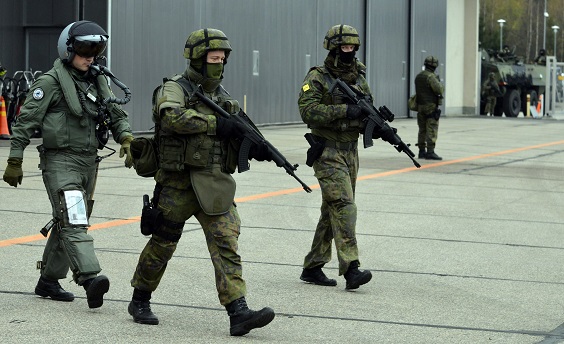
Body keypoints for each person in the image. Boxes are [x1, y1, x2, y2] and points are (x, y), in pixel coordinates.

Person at [127, 28, 275, 336]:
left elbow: (237, 131)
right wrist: (216, 124)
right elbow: (171, 118)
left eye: (222, 59)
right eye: (213, 58)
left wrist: (256, 147)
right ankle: (140, 298)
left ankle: (238, 312)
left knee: (226, 243)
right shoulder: (174, 88)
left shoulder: (223, 97)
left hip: (214, 183)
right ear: (196, 58)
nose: (218, 64)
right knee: (163, 244)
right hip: (178, 184)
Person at [1, 21, 134, 308]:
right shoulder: (49, 83)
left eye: (95, 50)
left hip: (89, 162)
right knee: (74, 219)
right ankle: (89, 278)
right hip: (61, 161)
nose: (90, 56)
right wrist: (15, 158)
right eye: (85, 50)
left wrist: (126, 138)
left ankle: (48, 280)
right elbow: (25, 122)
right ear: (68, 49)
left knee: (67, 220)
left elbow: (115, 112)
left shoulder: (97, 81)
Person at [297, 24, 373, 291]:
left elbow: (365, 110)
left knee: (332, 209)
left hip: (351, 152)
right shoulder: (318, 77)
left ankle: (313, 266)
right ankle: (351, 268)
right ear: (332, 47)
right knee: (344, 206)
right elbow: (308, 111)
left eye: (352, 47)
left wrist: (375, 125)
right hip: (327, 151)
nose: (348, 51)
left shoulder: (359, 78)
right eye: (344, 47)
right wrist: (345, 111)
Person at [415, 56, 444, 160]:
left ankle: (421, 151)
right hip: (430, 107)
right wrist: (439, 82)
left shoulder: (419, 76)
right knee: (431, 128)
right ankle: (430, 152)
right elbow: (439, 90)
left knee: (422, 129)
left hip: (420, 106)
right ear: (435, 66)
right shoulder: (431, 77)